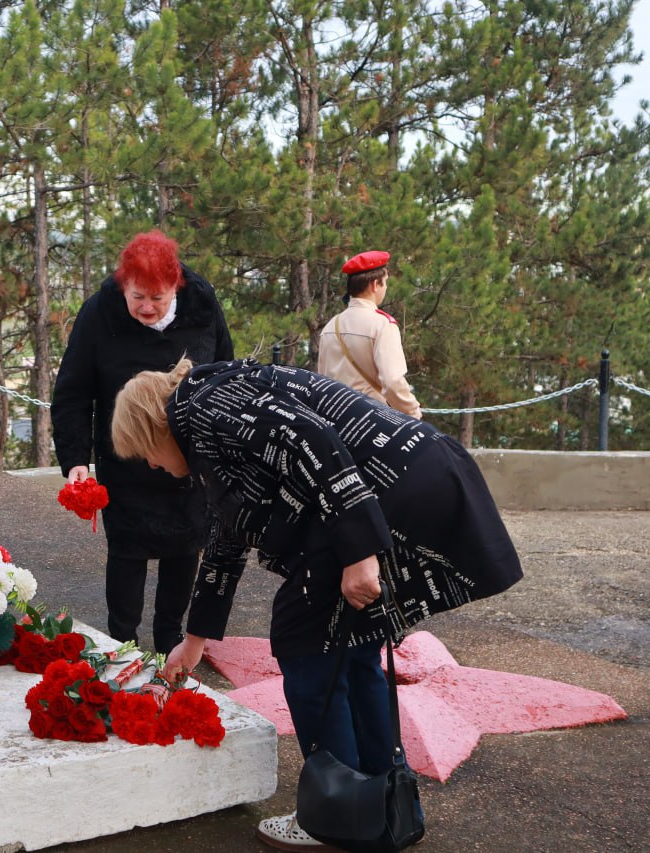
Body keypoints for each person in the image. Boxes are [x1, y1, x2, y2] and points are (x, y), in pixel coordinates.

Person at [111, 357, 522, 850]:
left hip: (390, 492)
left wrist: (359, 551)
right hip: (414, 477)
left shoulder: (204, 408)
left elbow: (313, 440)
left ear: (151, 426)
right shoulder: (213, 415)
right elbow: (227, 537)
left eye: (145, 453)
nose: (152, 465)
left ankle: (336, 818)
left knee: (305, 643)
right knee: (354, 651)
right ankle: (387, 809)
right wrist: (194, 641)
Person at [51, 230, 234, 654]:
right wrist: (76, 459)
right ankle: (123, 640)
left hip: (188, 459)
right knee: (127, 550)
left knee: (186, 546)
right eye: (137, 297)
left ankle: (170, 637)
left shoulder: (202, 304)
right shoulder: (100, 312)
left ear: (176, 286)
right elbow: (73, 391)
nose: (147, 308)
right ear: (123, 285)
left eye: (157, 298)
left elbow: (223, 373)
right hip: (125, 458)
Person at [317, 250, 422, 418]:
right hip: (371, 420)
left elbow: (322, 382)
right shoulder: (382, 325)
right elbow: (392, 382)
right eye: (385, 282)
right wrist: (413, 412)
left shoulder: (330, 326)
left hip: (334, 419)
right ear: (374, 285)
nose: (386, 287)